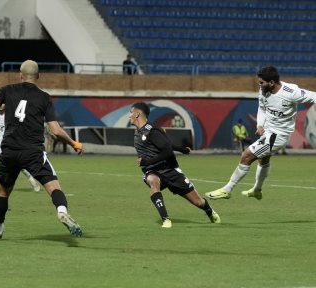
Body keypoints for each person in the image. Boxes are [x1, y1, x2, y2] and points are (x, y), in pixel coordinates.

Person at [0, 60, 84, 239]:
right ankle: (62, 211)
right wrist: (73, 143)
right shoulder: (44, 97)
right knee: (53, 186)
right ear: (38, 76)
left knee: (3, 191)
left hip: (9, 151)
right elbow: (55, 130)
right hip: (33, 152)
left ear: (20, 75)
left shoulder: (7, 90)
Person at [206, 66, 316, 200]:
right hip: (269, 131)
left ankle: (227, 189)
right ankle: (257, 190)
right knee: (263, 159)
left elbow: (314, 96)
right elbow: (262, 108)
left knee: (246, 156)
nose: (260, 85)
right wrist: (259, 124)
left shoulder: (291, 92)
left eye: (262, 82)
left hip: (277, 136)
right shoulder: (264, 90)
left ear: (272, 82)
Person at [130, 102, 221, 228]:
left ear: (137, 114)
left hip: (169, 169)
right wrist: (182, 149)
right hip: (153, 170)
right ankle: (166, 219)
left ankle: (209, 211)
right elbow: (166, 144)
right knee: (153, 181)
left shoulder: (152, 130)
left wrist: (147, 161)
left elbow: (167, 150)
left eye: (131, 113)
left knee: (198, 202)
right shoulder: (138, 132)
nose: (129, 116)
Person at [0, 104, 41, 193]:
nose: (0, 105)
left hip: (11, 143)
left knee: (17, 164)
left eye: (3, 103)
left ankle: (30, 177)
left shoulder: (12, 115)